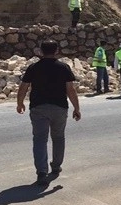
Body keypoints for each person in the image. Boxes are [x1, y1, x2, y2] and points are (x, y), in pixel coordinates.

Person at [16, 40, 81, 186]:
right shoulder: (63, 67)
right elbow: (70, 89)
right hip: (59, 107)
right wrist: (76, 108)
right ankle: (56, 166)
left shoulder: (34, 67)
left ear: (41, 51)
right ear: (56, 50)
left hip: (39, 108)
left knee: (39, 139)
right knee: (58, 138)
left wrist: (20, 103)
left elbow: (24, 87)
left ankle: (41, 172)